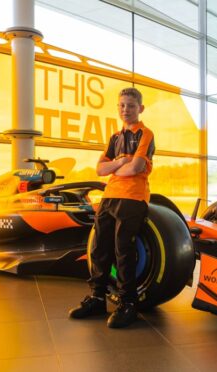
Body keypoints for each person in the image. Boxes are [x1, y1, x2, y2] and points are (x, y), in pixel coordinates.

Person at [68, 87, 155, 329]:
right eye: (121, 105)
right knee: (98, 248)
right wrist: (120, 162)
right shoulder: (115, 138)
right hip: (109, 196)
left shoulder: (145, 134)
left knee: (123, 249)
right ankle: (97, 298)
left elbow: (136, 167)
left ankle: (128, 304)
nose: (125, 109)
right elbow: (99, 169)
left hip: (132, 197)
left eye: (130, 105)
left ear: (140, 108)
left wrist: (117, 166)